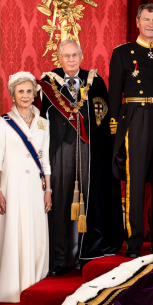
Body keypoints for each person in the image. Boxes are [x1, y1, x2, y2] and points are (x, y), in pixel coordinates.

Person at [38, 39, 121, 272]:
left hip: (88, 149)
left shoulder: (94, 82)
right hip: (60, 149)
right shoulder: (49, 82)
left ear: (81, 56)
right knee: (61, 201)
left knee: (88, 198)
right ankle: (60, 258)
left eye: (75, 55)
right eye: (67, 56)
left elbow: (102, 119)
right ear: (59, 58)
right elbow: (42, 120)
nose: (71, 59)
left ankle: (86, 253)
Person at [109, 3, 153, 258]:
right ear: (137, 22)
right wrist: (116, 131)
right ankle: (135, 243)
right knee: (135, 182)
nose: (151, 24)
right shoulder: (122, 53)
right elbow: (114, 96)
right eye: (146, 20)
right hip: (135, 119)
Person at [0, 72, 52, 303]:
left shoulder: (43, 123)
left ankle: (34, 286)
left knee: (35, 232)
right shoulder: (3, 122)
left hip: (36, 187)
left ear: (35, 93)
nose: (25, 96)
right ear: (13, 95)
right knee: (13, 231)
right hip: (11, 185)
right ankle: (10, 289)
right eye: (20, 91)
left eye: (29, 91)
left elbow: (45, 160)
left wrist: (48, 190)